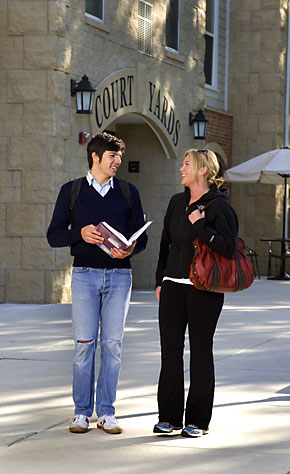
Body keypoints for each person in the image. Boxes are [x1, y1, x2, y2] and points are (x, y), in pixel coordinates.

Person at [47, 132, 148, 435]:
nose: (118, 161)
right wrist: (80, 233)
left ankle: (106, 413)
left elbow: (141, 237)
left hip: (120, 277)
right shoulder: (72, 191)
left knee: (112, 345)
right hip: (85, 276)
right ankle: (81, 412)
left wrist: (132, 248)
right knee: (84, 345)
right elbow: (54, 235)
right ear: (95, 156)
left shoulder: (129, 192)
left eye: (119, 155)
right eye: (112, 156)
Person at [153, 149, 238, 438]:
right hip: (173, 286)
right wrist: (160, 281)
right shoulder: (177, 202)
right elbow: (165, 244)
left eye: (187, 164)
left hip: (205, 290)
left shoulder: (219, 206)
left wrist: (200, 223)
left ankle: (198, 421)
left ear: (203, 170)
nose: (181, 169)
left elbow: (227, 248)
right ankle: (169, 418)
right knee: (170, 353)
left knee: (201, 354)